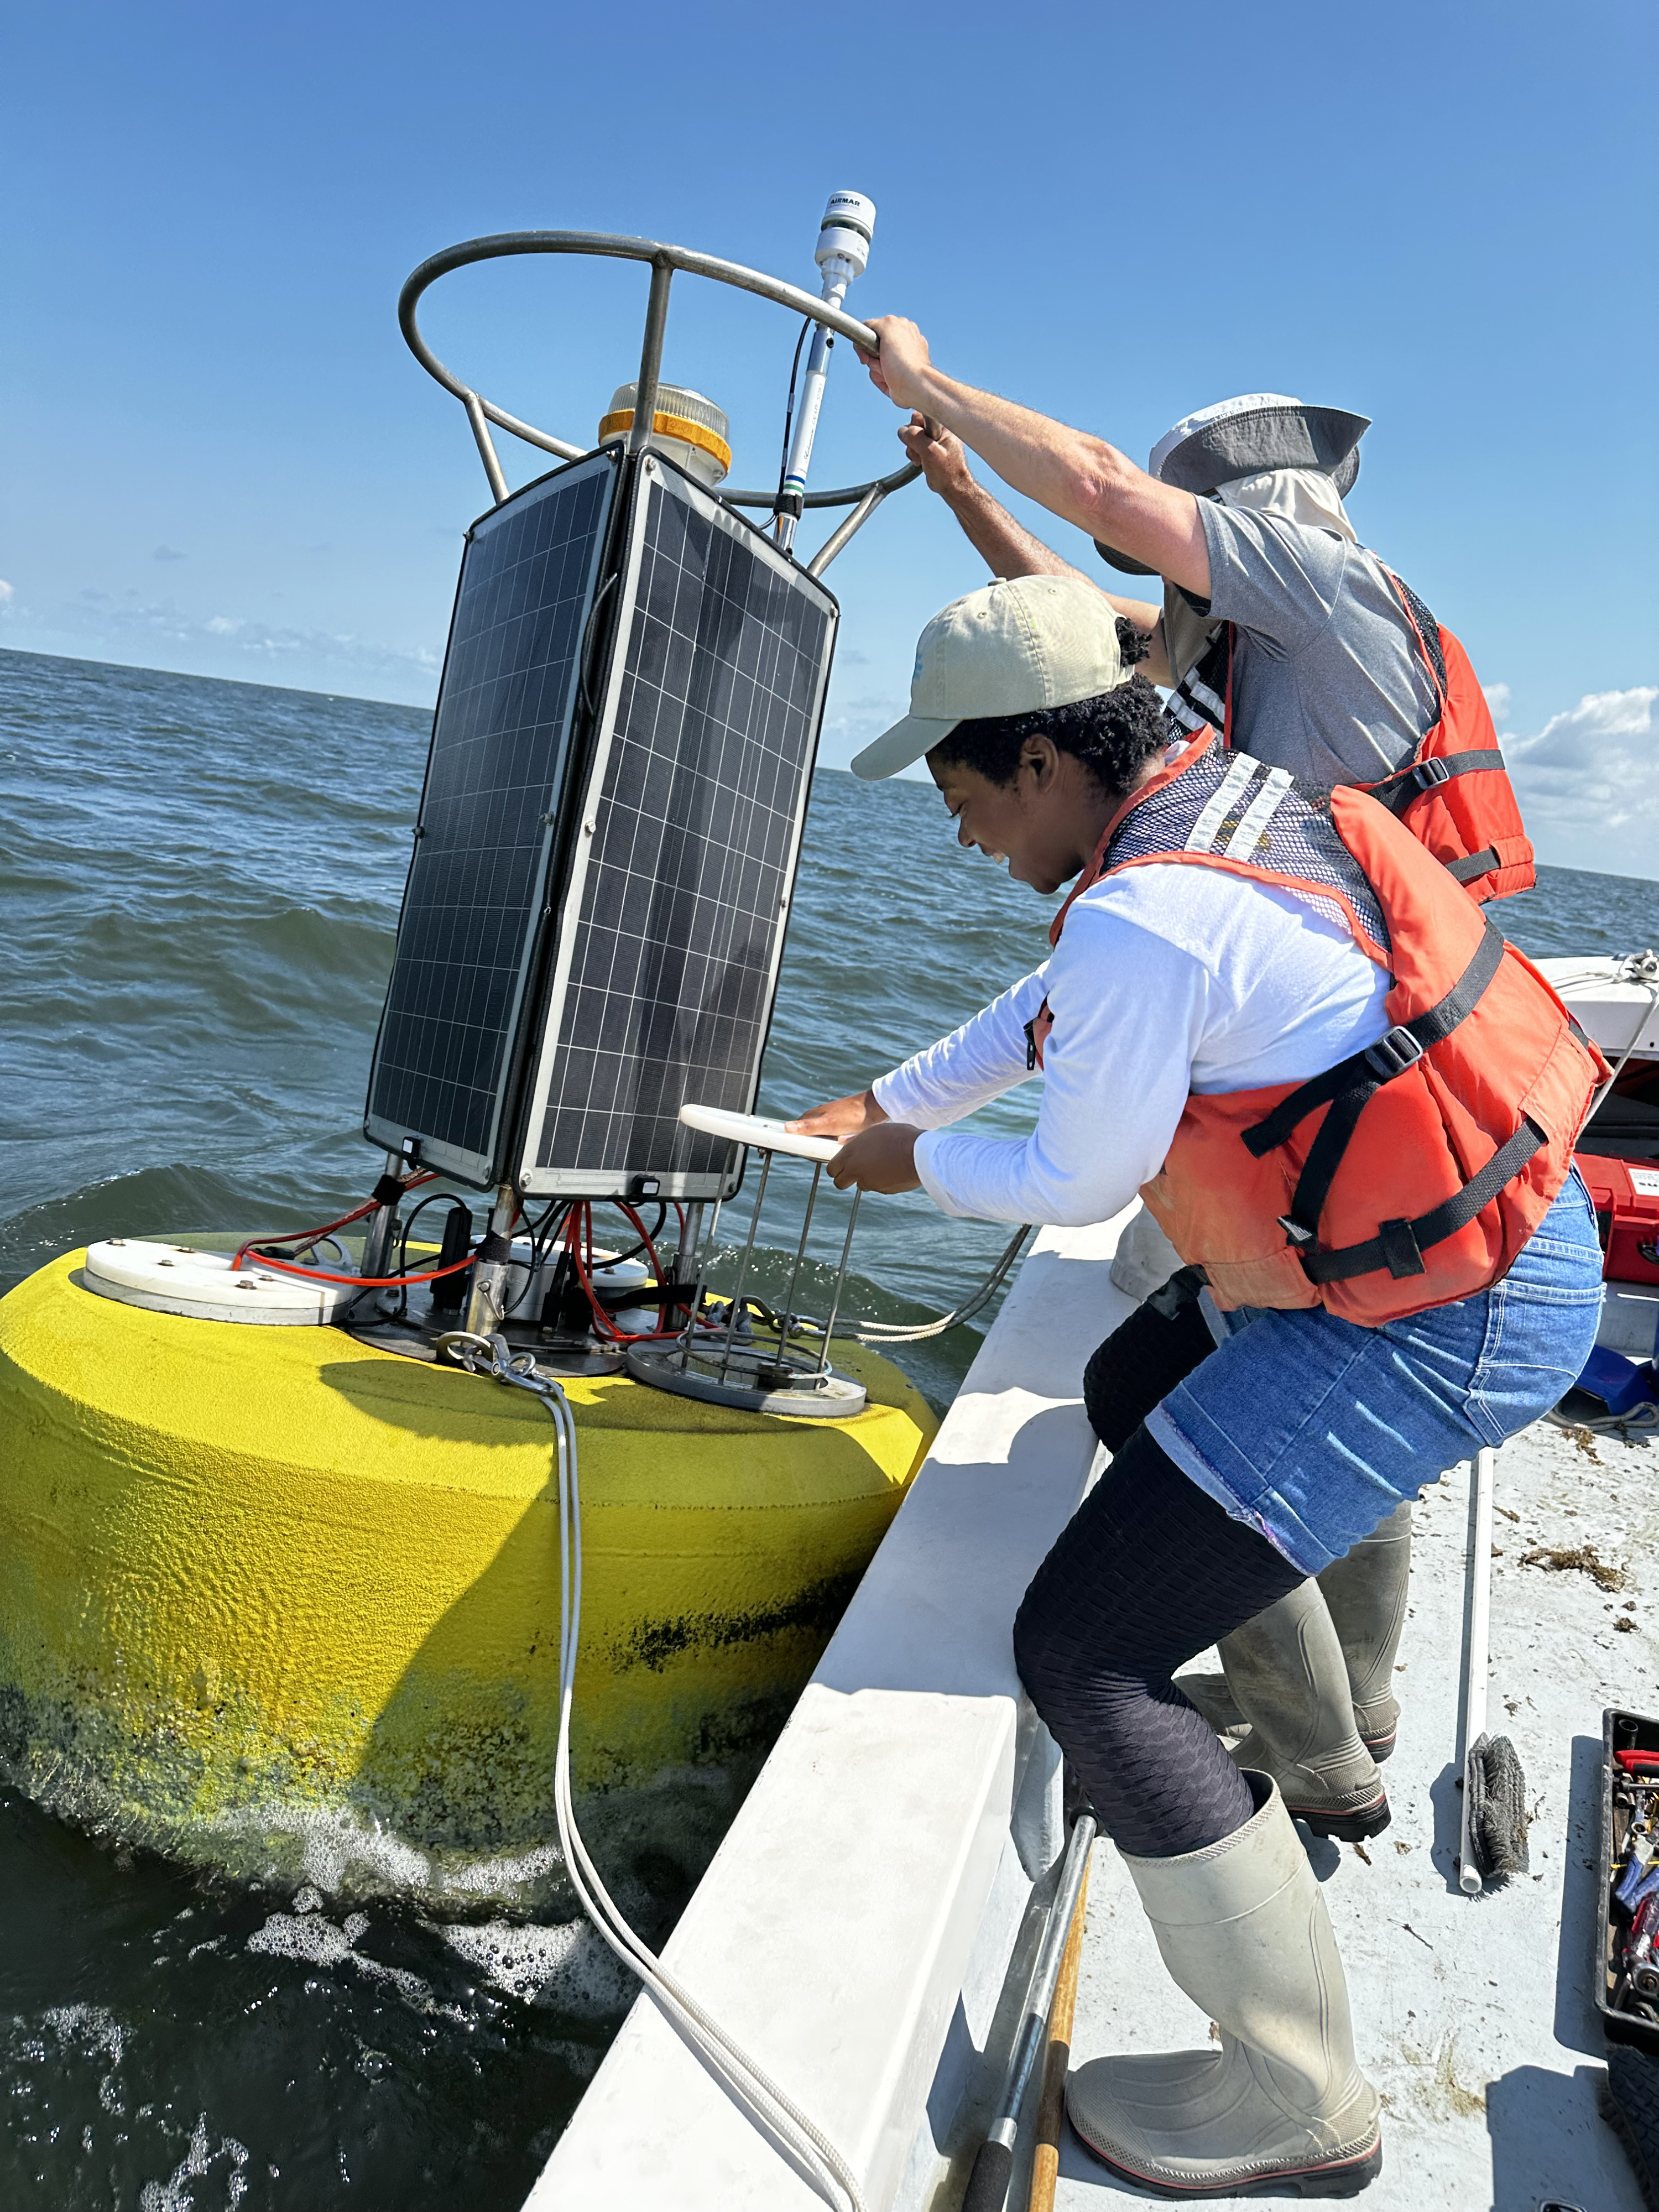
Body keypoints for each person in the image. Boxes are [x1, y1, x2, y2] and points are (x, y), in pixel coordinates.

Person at [794, 575, 1604, 2197]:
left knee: (1081, 1655)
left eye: (962, 800)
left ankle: (1294, 2096)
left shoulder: (1140, 910)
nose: (961, 838)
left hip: (1451, 1316)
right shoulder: (1211, 796)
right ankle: (1309, 1722)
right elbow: (1048, 1016)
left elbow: (1081, 1171)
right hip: (1488, 1247)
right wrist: (883, 1092)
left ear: (1037, 761)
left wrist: (907, 1158)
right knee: (1130, 1380)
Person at [850, 334, 1538, 1838]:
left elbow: (1097, 507)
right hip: (1338, 1040)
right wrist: (966, 493)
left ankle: (1324, 1746)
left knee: (1261, 1413)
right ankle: (1340, 1700)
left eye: (1181, 537)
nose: (1162, 573)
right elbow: (1072, 657)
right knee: (1195, 1374)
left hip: (1371, 1074)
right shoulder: (1229, 673)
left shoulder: (1326, 596)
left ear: (1257, 525)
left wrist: (928, 387)